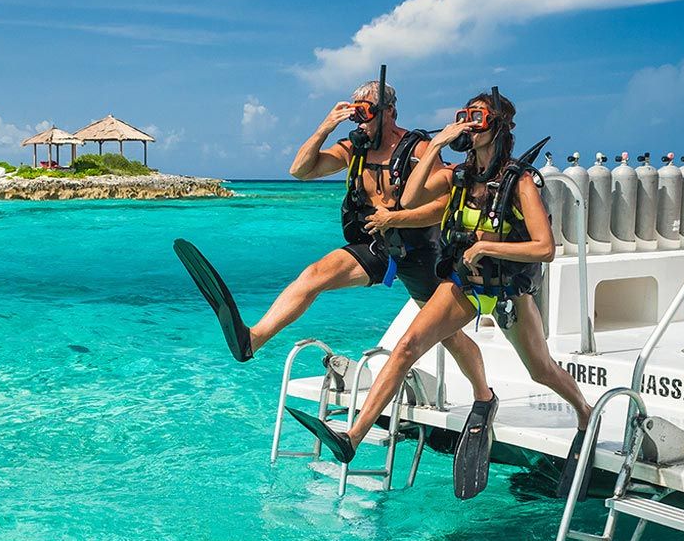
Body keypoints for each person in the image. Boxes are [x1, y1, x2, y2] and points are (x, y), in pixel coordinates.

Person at [285, 88, 594, 500]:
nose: (469, 123)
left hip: (506, 291)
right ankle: (352, 438)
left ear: (498, 128)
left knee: (541, 370)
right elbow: (411, 197)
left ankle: (585, 414)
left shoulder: (517, 182)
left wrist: (488, 247)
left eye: (478, 118)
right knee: (407, 345)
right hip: (465, 285)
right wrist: (438, 145)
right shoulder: (458, 175)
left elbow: (544, 248)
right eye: (465, 115)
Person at [174, 77, 496, 422]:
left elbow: (445, 203)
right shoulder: (353, 148)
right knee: (314, 275)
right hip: (377, 244)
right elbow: (299, 171)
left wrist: (397, 217)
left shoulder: (416, 149)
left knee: (447, 334)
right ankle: (251, 340)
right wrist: (325, 127)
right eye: (355, 112)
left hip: (420, 248)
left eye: (366, 111)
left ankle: (483, 396)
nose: (360, 120)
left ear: (389, 112)